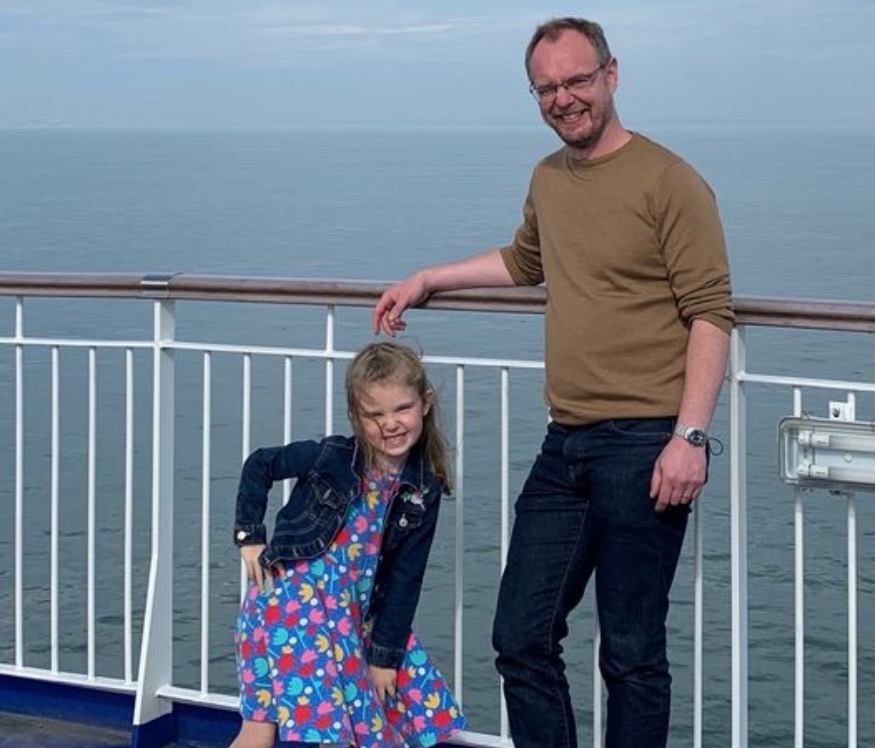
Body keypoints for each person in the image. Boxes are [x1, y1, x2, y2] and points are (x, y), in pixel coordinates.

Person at [372, 16, 734, 748]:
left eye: (576, 80)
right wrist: (427, 277)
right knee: (520, 636)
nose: (563, 98)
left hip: (645, 443)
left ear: (611, 74)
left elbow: (709, 313)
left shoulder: (670, 181)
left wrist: (690, 437)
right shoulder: (548, 177)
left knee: (631, 652)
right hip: (565, 443)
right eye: (546, 88)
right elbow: (525, 260)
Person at [230, 341, 467, 748]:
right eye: (375, 415)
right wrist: (249, 537)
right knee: (270, 728)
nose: (390, 424)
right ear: (357, 417)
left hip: (351, 613)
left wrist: (384, 657)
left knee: (358, 717)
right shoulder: (331, 456)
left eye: (402, 409)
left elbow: (405, 576)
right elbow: (260, 465)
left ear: (425, 403)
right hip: (291, 604)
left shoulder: (422, 488)